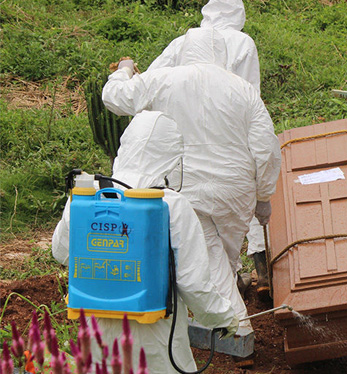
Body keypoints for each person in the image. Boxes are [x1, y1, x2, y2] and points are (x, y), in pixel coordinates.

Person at [101, 28, 281, 347]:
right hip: (236, 192)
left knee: (207, 258)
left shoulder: (165, 78)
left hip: (188, 185)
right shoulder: (242, 88)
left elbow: (116, 98)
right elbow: (266, 147)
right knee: (217, 257)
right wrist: (263, 195)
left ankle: (237, 332)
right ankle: (215, 317)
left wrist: (124, 70)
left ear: (184, 50)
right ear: (221, 53)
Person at [52, 111, 239, 373]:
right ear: (171, 158)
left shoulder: (87, 196)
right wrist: (223, 317)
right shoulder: (169, 205)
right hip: (154, 340)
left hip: (97, 335)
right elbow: (193, 283)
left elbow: (61, 251)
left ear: (125, 147)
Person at [147, 0, 269, 296]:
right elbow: (250, 92)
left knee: (193, 227)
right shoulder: (242, 42)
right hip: (229, 139)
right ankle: (251, 277)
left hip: (184, 147)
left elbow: (150, 81)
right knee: (233, 216)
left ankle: (215, 285)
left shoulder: (182, 42)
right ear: (238, 13)